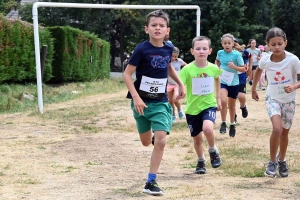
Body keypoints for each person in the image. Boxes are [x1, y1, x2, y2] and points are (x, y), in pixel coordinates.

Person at [123, 10, 186, 195]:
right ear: (146, 29)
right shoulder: (141, 49)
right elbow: (127, 74)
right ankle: (150, 134)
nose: (157, 28)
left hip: (160, 103)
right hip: (141, 103)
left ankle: (151, 181)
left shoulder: (169, 49)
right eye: (154, 25)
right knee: (145, 142)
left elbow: (167, 67)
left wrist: (180, 83)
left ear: (167, 30)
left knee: (161, 140)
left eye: (161, 25)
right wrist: (135, 97)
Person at [252, 27, 300, 178]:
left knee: (285, 133)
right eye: (273, 44)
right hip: (272, 98)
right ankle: (272, 162)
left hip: (289, 101)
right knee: (277, 129)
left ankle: (282, 160)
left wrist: (294, 86)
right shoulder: (266, 60)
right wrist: (253, 88)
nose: (277, 47)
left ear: (285, 43)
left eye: (280, 43)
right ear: (267, 45)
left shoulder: (293, 60)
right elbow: (259, 70)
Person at [180, 36, 222, 174]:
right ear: (192, 51)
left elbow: (217, 79)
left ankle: (212, 150)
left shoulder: (213, 68)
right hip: (192, 109)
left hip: (209, 105)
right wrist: (181, 91)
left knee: (208, 129)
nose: (201, 51)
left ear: (210, 51)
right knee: (197, 139)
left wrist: (219, 99)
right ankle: (201, 160)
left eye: (204, 48)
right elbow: (181, 84)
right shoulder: (187, 69)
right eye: (198, 49)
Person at [215, 33, 245, 137]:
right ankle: (223, 122)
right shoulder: (220, 53)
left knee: (232, 105)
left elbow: (243, 68)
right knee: (223, 101)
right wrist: (216, 67)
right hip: (223, 81)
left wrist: (234, 67)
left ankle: (232, 124)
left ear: (233, 43)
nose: (227, 45)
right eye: (225, 43)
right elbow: (217, 61)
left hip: (234, 82)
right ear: (222, 44)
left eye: (229, 43)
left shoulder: (237, 55)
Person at [233, 39, 252, 122]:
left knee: (241, 96)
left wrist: (250, 67)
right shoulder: (223, 52)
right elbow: (218, 60)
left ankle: (243, 106)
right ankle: (233, 116)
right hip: (230, 76)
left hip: (241, 75)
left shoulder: (243, 51)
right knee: (231, 98)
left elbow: (250, 56)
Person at [167, 46, 187, 122]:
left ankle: (179, 109)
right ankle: (173, 115)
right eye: (172, 56)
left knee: (175, 99)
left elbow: (187, 66)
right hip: (169, 83)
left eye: (175, 56)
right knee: (170, 101)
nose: (173, 58)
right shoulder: (167, 61)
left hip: (177, 84)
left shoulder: (179, 61)